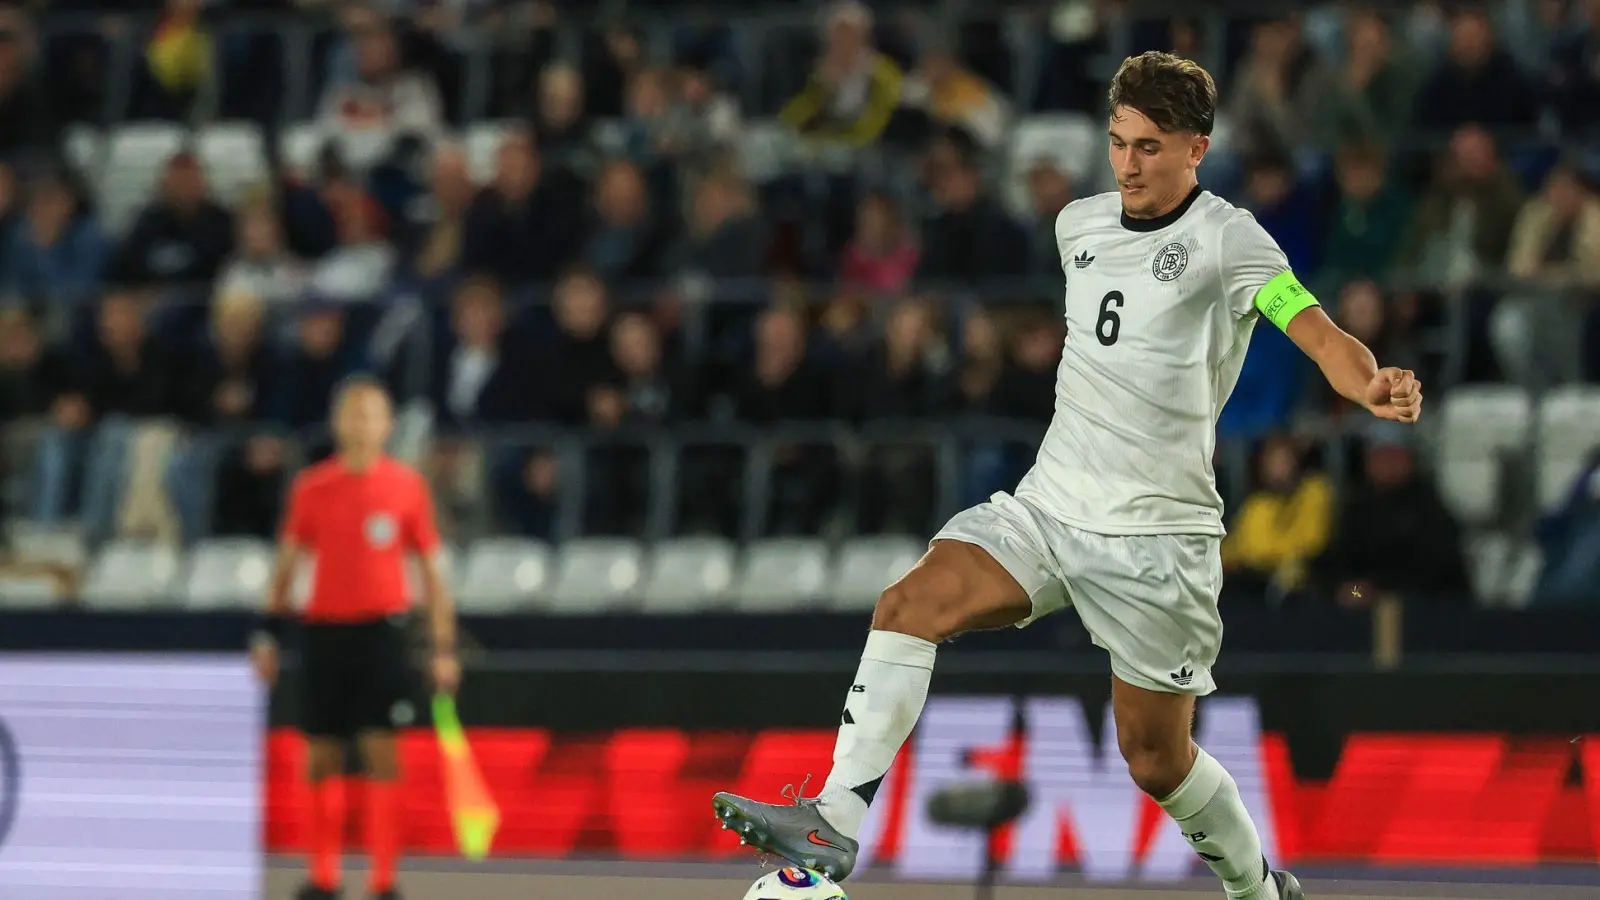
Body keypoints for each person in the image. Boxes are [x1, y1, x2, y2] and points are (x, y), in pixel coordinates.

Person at [711, 51, 1424, 900]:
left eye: (1150, 147)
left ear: (1197, 148)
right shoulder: (1078, 226)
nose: (1129, 164)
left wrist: (1367, 381)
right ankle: (833, 823)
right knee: (907, 605)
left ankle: (1260, 890)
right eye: (1118, 142)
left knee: (1156, 759)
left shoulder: (1228, 239)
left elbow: (1313, 328)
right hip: (1049, 508)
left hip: (1157, 540)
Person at [250, 376, 460, 900]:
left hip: (382, 633)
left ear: (388, 425)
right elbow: (287, 565)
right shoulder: (312, 487)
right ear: (337, 422)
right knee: (320, 756)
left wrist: (442, 647)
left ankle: (383, 881)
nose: (361, 424)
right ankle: (324, 877)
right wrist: (267, 633)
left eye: (371, 414)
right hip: (324, 632)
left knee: (383, 752)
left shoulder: (407, 487)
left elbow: (433, 574)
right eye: (352, 413)